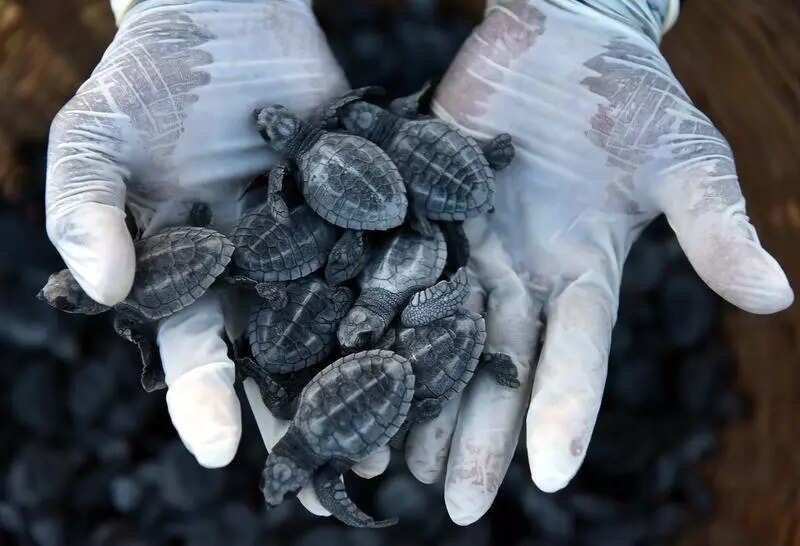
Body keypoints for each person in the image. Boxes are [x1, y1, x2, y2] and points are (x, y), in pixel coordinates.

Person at [46, 0, 792, 525]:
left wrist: (598, 9)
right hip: (369, 205)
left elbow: (331, 246)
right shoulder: (330, 224)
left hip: (373, 209)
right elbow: (332, 244)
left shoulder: (319, 256)